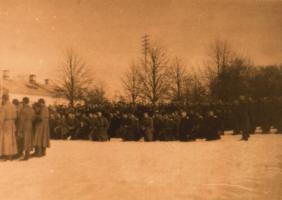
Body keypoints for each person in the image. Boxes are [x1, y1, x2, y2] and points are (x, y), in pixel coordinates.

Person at [0, 94, 18, 160]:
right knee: (12, 139)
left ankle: (6, 155)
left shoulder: (4, 107)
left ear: (4, 99)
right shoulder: (13, 106)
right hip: (12, 124)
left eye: (2, 99)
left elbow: (1, 118)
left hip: (6, 124)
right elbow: (16, 116)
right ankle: (11, 155)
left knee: (6, 140)